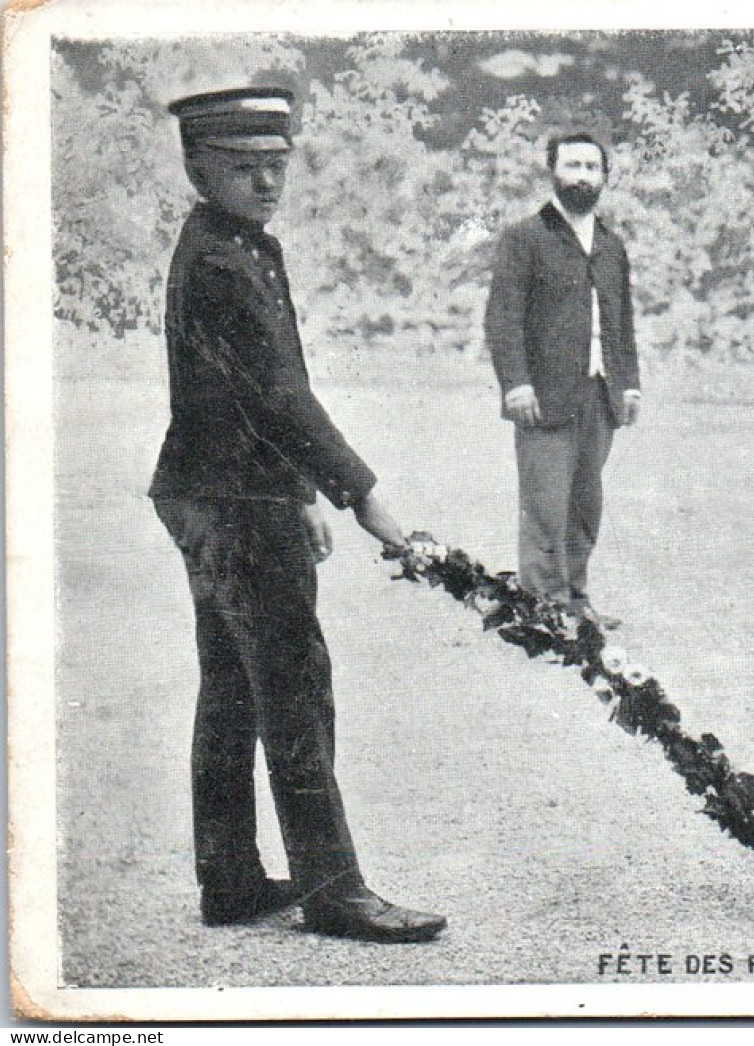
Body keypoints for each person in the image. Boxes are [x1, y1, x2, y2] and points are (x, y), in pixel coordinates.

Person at [151, 87, 445, 943]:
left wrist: (300, 492)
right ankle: (336, 891)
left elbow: (258, 395)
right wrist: (363, 495)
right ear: (198, 168)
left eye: (278, 165)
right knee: (292, 685)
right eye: (246, 168)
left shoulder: (235, 245)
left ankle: (232, 879)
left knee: (235, 684)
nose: (267, 181)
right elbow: (280, 395)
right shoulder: (221, 261)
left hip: (218, 490)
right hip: (231, 501)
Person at [484, 130, 641, 628]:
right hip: (544, 397)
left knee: (585, 502)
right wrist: (516, 384)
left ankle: (575, 598)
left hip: (601, 394)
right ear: (553, 171)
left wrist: (629, 383)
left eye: (591, 168)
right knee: (545, 504)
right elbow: (503, 318)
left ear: (604, 177)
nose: (582, 176)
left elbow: (622, 321)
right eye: (572, 166)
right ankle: (542, 607)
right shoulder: (525, 239)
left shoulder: (612, 245)